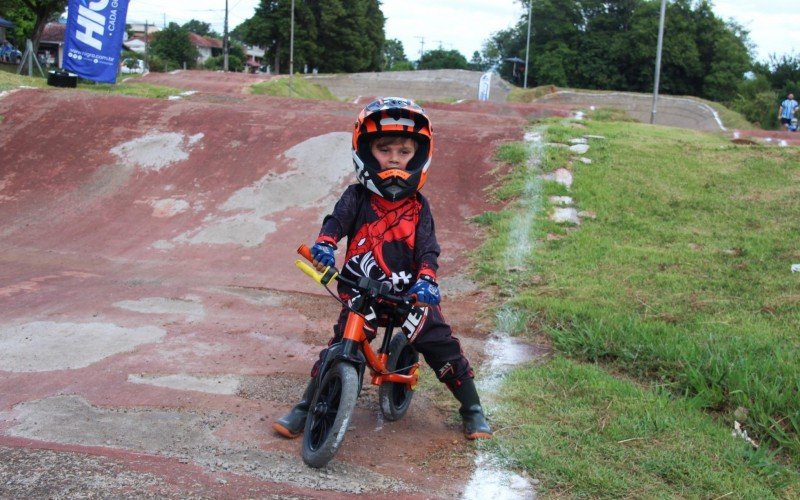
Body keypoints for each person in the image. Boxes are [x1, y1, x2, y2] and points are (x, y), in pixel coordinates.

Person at [273, 97, 493, 441]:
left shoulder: (420, 208)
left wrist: (427, 281)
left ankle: (472, 408)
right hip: (362, 293)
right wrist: (325, 246)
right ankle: (306, 406)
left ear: (419, 156)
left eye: (404, 151)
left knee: (441, 345)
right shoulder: (356, 196)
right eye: (384, 148)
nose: (394, 158)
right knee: (338, 346)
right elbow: (335, 223)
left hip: (409, 295)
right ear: (365, 151)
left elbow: (428, 250)